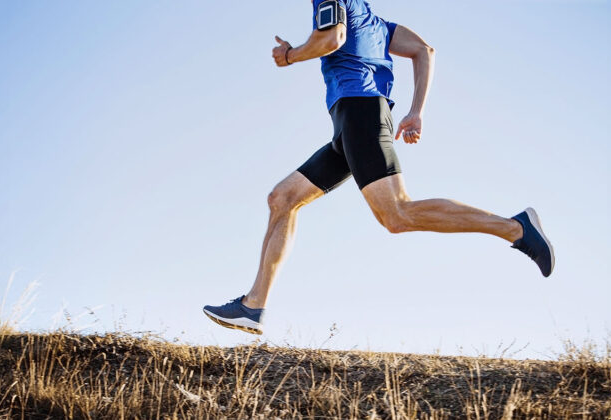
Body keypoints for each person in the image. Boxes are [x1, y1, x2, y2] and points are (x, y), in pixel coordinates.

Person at [203, 0, 554, 335]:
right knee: (283, 198)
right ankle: (253, 306)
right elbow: (424, 50)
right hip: (350, 124)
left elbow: (331, 38)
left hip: (360, 114)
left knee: (397, 213)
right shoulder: (375, 24)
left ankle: (515, 228)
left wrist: (290, 55)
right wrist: (416, 111)